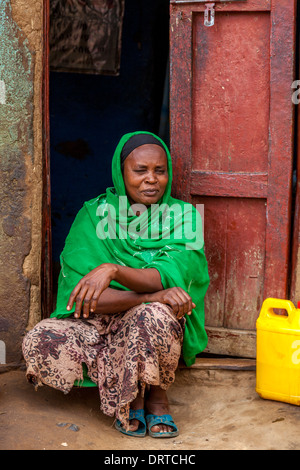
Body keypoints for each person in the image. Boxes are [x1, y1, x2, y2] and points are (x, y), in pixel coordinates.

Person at [22, 131, 209, 438]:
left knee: (156, 316)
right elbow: (83, 301)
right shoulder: (94, 215)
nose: (151, 179)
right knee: (40, 339)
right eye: (140, 171)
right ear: (121, 173)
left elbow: (169, 275)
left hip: (150, 322)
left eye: (159, 171)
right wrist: (154, 295)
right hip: (99, 323)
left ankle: (156, 395)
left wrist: (114, 271)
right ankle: (129, 389)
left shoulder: (183, 216)